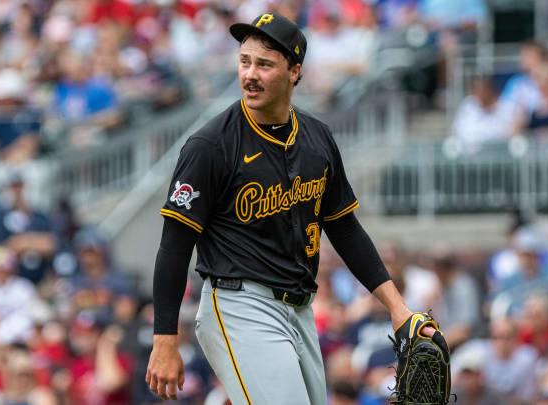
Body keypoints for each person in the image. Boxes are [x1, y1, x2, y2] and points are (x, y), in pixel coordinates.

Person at [145, 12, 438, 404]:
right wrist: (165, 341)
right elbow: (173, 247)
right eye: (244, 61)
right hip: (239, 304)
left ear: (295, 71)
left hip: (300, 310)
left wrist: (398, 308)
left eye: (264, 64)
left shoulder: (317, 138)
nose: (250, 74)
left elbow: (345, 228)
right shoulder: (210, 145)